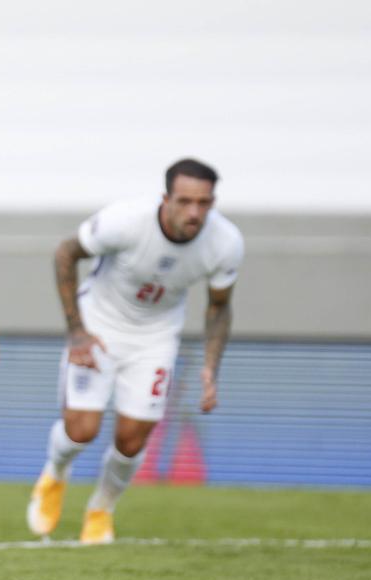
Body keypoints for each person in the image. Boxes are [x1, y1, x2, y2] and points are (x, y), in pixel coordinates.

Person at [26, 158, 244, 544]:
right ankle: (55, 474)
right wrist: (77, 331)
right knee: (81, 430)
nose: (194, 212)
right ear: (166, 198)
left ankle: (101, 509)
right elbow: (65, 253)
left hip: (155, 340)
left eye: (204, 203)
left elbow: (219, 305)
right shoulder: (125, 221)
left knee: (132, 439)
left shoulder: (225, 243)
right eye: (185, 201)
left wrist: (211, 368)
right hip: (99, 327)